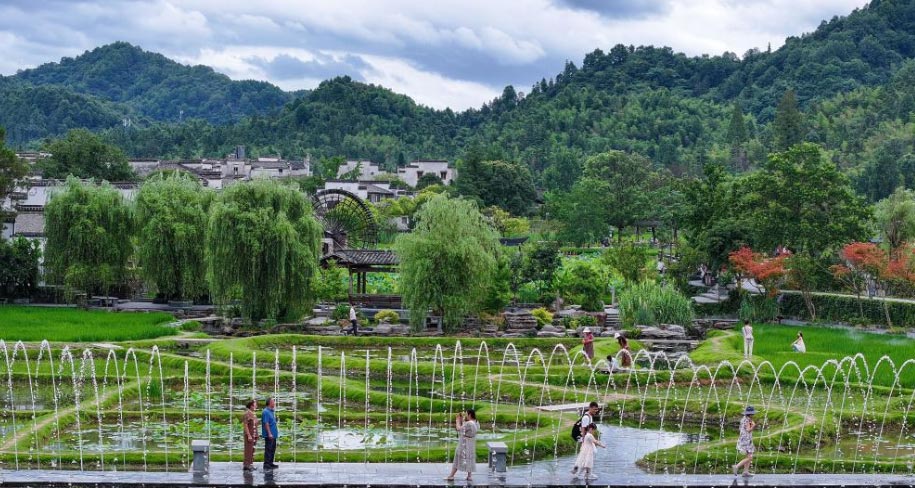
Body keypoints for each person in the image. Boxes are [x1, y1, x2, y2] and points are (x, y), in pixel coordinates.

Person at [445, 409, 479, 481]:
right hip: (471, 444)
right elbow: (466, 429)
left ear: (469, 415)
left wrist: (457, 421)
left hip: (464, 444)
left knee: (457, 458)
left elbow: (459, 429)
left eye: (466, 414)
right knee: (469, 459)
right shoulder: (476, 422)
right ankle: (469, 476)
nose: (465, 415)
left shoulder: (469, 423)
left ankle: (451, 476)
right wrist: (462, 420)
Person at [733, 406, 757, 477]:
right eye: (753, 413)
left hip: (745, 439)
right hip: (746, 440)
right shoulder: (747, 420)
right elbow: (748, 430)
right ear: (750, 414)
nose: (753, 415)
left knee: (749, 455)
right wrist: (754, 426)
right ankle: (736, 466)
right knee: (750, 457)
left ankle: (745, 472)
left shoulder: (744, 419)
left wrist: (752, 423)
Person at [261, 397, 279, 470]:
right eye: (273, 402)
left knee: (272, 449)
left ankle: (270, 463)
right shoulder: (265, 411)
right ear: (269, 403)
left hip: (273, 434)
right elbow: (266, 423)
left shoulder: (271, 411)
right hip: (269, 435)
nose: (274, 403)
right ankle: (266, 464)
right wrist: (269, 433)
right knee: (268, 449)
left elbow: (271, 422)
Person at [242, 399, 259, 471]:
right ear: (251, 406)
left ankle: (250, 464)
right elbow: (245, 425)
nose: (256, 406)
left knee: (252, 450)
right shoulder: (247, 414)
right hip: (249, 435)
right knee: (248, 450)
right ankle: (246, 464)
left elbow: (255, 425)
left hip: (254, 434)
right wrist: (248, 435)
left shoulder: (253, 413)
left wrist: (256, 434)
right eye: (255, 405)